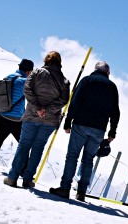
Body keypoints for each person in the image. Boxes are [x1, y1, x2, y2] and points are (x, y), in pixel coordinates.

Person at [49, 61, 120, 202]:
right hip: (99, 129)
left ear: (95, 70)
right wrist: (112, 131)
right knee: (88, 160)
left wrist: (68, 121)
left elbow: (74, 101)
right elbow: (115, 111)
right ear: (108, 73)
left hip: (80, 124)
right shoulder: (112, 87)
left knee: (72, 156)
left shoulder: (86, 80)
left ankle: (64, 188)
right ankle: (81, 192)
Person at [3, 51, 69, 189]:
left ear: (46, 60)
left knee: (24, 145)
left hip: (31, 116)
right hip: (50, 120)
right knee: (38, 148)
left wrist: (38, 108)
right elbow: (63, 100)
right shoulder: (64, 80)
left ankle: (12, 177)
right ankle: (27, 179)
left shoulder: (36, 73)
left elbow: (27, 90)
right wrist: (48, 110)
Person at [0, 59, 35, 175]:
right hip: (16, 120)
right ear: (28, 71)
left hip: (2, 116)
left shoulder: (8, 77)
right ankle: (24, 171)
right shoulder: (25, 82)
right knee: (24, 145)